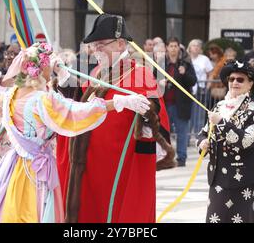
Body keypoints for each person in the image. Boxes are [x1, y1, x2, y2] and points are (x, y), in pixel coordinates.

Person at [0, 42, 150, 223]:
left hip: (12, 166)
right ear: (41, 68)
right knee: (33, 212)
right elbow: (76, 111)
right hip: (35, 171)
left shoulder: (10, 94)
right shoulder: (41, 100)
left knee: (11, 210)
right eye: (50, 63)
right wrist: (119, 102)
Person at [58, 14, 170, 223]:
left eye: (101, 45)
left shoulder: (141, 74)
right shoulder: (98, 71)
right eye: (93, 46)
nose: (95, 50)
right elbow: (82, 104)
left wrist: (146, 113)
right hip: (91, 166)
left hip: (119, 167)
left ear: (120, 43)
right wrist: (65, 81)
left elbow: (155, 121)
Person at [197, 60, 254, 223]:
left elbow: (247, 141)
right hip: (218, 177)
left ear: (250, 84)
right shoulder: (219, 107)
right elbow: (203, 133)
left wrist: (221, 123)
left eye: (240, 79)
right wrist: (202, 143)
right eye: (231, 79)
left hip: (244, 179)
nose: (234, 82)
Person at [160, 37, 197, 167]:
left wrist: (184, 73)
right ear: (167, 48)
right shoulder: (161, 64)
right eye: (171, 46)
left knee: (182, 132)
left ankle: (181, 158)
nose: (173, 49)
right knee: (164, 132)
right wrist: (160, 83)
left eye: (175, 46)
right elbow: (153, 80)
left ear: (179, 48)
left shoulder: (185, 63)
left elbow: (193, 81)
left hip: (181, 105)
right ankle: (166, 157)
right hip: (165, 104)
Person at [188, 39, 213, 143]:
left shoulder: (204, 59)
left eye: (198, 46)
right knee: (188, 116)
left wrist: (207, 86)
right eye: (194, 45)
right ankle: (187, 140)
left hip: (200, 91)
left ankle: (199, 140)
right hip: (188, 90)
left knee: (199, 116)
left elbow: (211, 74)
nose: (196, 47)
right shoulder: (186, 58)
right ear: (189, 47)